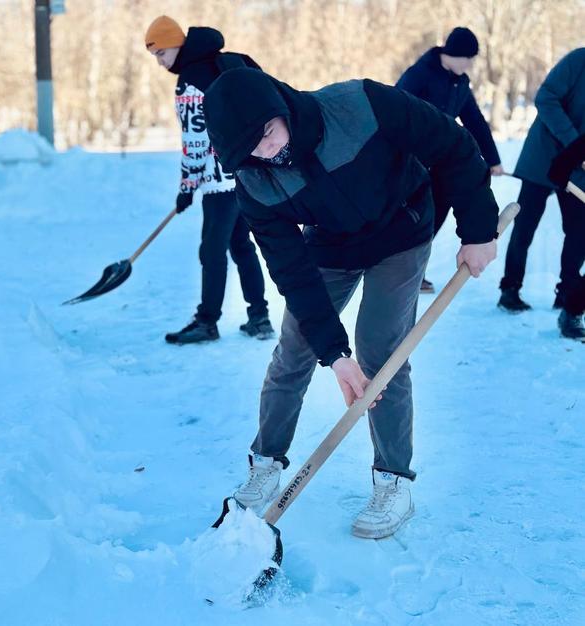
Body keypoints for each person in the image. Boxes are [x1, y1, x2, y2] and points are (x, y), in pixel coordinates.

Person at [204, 68, 499, 539]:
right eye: (249, 148)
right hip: (331, 244)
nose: (267, 149)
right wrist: (334, 356)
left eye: (267, 132)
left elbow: (453, 145)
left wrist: (479, 230)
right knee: (296, 347)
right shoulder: (254, 184)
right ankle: (265, 463)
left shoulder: (360, 105)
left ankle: (393, 481)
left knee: (383, 351)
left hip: (401, 232)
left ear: (279, 106)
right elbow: (291, 271)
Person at [143, 16, 272, 344]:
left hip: (218, 181)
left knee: (211, 250)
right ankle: (259, 316)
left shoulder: (190, 81)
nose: (160, 62)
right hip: (243, 172)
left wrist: (186, 188)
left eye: (160, 53)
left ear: (175, 44)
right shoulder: (218, 64)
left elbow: (195, 141)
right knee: (241, 245)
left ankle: (207, 322)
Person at [397, 27, 504, 293]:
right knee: (412, 219)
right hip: (412, 163)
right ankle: (398, 273)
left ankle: (414, 272)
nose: (470, 64)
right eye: (467, 57)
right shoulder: (420, 74)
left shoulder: (460, 82)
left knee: (435, 217)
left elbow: (475, 121)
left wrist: (492, 159)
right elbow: (395, 110)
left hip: (440, 161)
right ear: (452, 53)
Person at [498, 48, 585, 337]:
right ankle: (510, 289)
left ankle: (569, 295)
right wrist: (574, 144)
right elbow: (545, 98)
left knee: (578, 230)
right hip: (544, 157)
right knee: (525, 225)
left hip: (578, 169)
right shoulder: (578, 61)